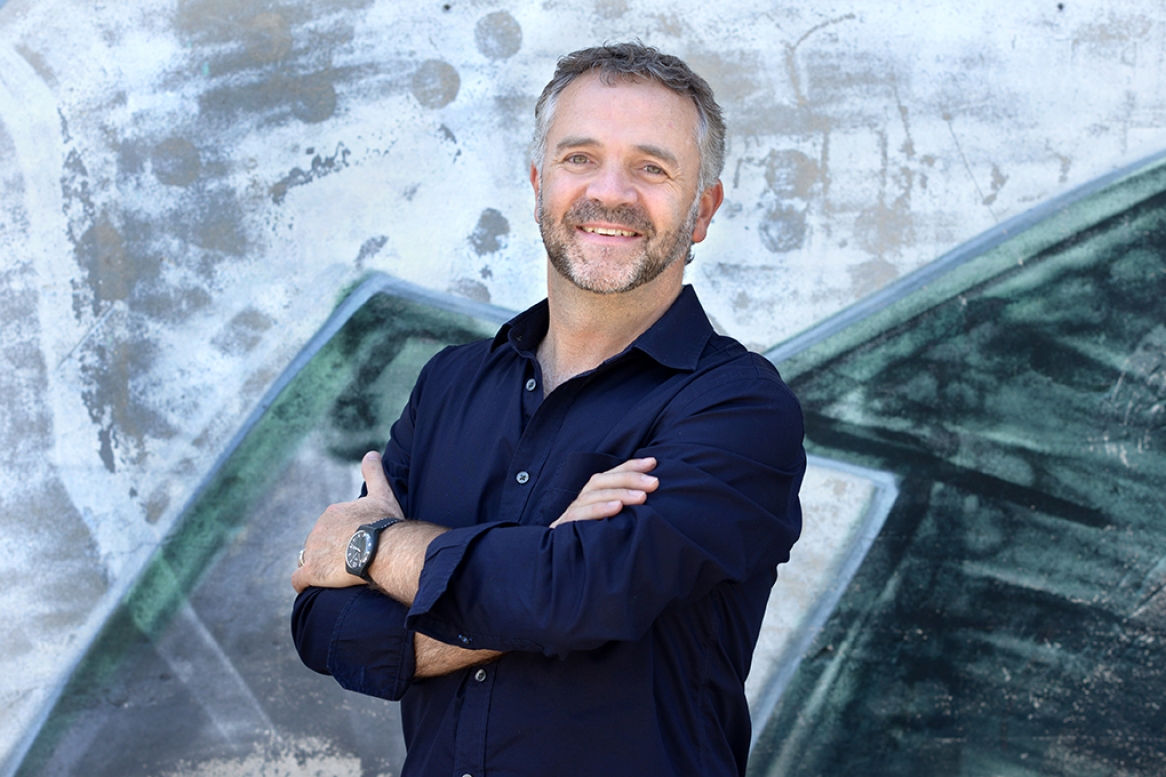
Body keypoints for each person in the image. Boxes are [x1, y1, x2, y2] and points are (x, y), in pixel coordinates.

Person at [291, 42, 805, 777]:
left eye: (652, 168)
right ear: (539, 184)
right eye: (580, 158)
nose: (611, 192)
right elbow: (323, 623)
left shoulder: (739, 409)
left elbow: (573, 595)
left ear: (702, 211)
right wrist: (542, 567)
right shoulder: (449, 385)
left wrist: (371, 548)